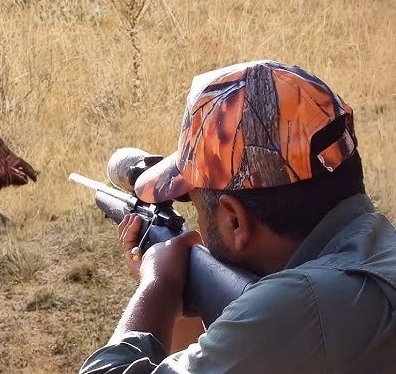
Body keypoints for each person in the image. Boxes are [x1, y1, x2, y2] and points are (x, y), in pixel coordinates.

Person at [78, 60, 396, 374]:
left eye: (197, 206)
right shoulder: (372, 263)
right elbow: (201, 357)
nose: (198, 221)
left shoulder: (300, 307)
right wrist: (182, 293)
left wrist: (158, 285)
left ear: (234, 220)